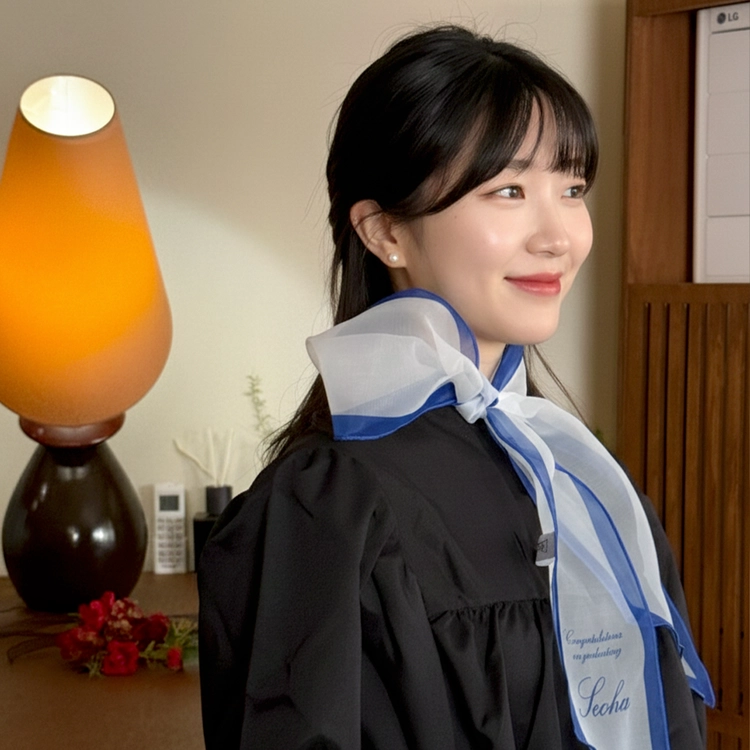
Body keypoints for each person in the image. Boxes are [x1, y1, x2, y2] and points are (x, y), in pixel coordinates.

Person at [198, 25, 713, 750]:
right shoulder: (327, 511)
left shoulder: (584, 483)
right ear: (385, 233)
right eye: (508, 190)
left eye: (571, 189)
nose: (559, 236)